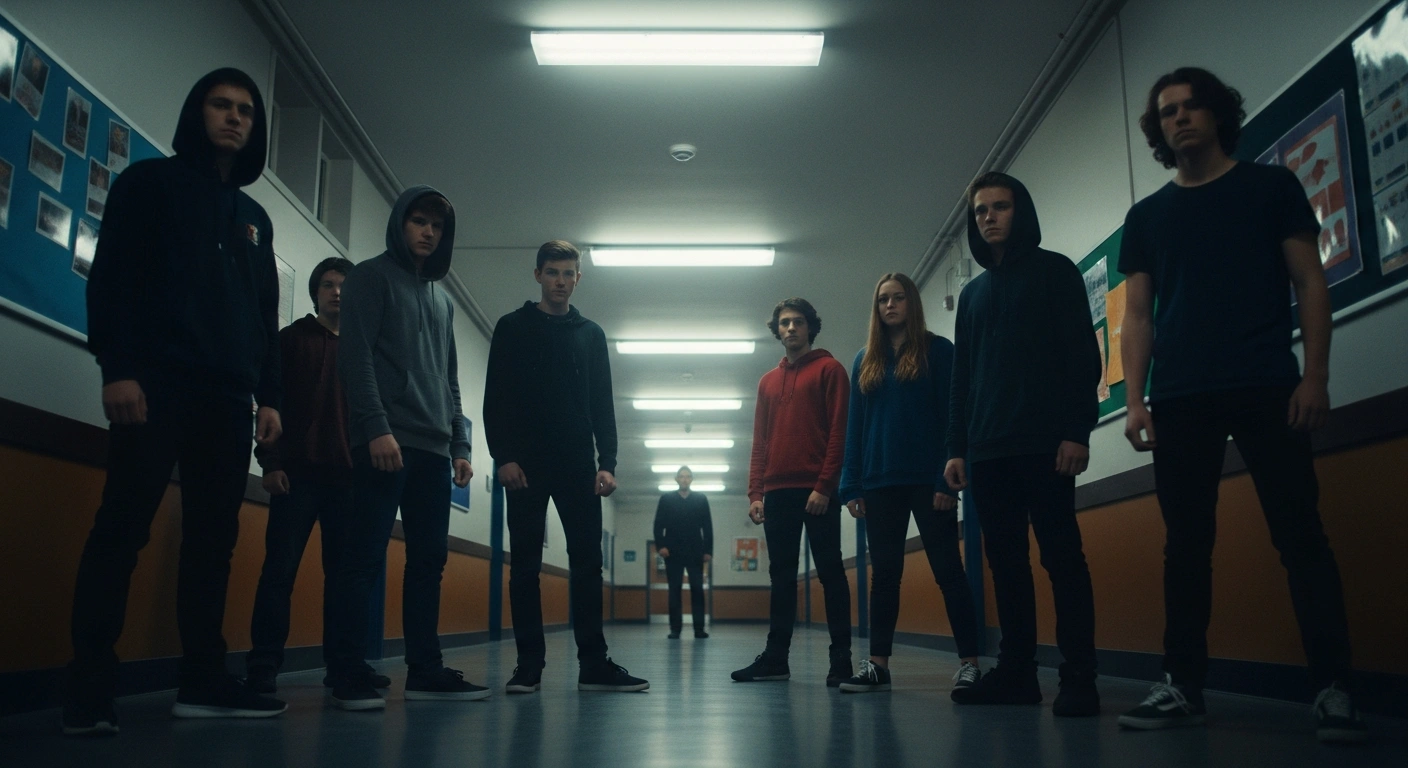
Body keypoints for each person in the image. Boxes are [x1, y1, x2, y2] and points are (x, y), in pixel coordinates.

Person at [1115, 67, 1366, 743]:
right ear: (1159, 130)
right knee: (1186, 547)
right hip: (1180, 397)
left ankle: (1334, 689)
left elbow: (1310, 281)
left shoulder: (1270, 187)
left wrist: (1314, 376)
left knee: (1301, 537)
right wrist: (1134, 401)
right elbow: (1136, 318)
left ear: (1220, 114)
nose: (1181, 117)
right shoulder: (1146, 217)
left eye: (1193, 106)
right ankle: (1182, 686)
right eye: (1167, 111)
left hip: (1266, 384)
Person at [65, 68, 286, 735]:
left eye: (246, 110)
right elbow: (115, 279)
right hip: (154, 386)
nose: (235, 117)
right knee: (121, 531)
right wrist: (119, 368)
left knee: (213, 542)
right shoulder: (148, 185)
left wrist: (268, 397)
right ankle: (89, 693)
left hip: (227, 399)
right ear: (198, 113)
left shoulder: (254, 219)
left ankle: (203, 680)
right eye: (221, 105)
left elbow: (262, 314)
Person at [943, 172, 1103, 717]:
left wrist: (1078, 431)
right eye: (981, 210)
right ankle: (1017, 674)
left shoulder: (1056, 272)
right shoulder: (971, 296)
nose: (989, 216)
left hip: (1046, 443)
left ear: (1021, 211)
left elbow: (1083, 356)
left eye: (1000, 206)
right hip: (988, 450)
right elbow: (962, 378)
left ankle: (1080, 678)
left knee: (1062, 558)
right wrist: (956, 447)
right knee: (1006, 564)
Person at [325, 186, 483, 710]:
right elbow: (356, 357)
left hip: (436, 450)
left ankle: (425, 668)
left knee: (428, 562)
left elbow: (450, 380)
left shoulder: (441, 300)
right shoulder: (371, 276)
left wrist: (460, 443)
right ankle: (345, 670)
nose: (428, 232)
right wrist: (375, 428)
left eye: (436, 226)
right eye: (418, 221)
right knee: (363, 557)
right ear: (401, 223)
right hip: (387, 443)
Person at [484, 240, 648, 694]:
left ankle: (594, 664)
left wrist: (607, 462)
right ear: (537, 275)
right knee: (525, 568)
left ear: (579, 278)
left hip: (578, 466)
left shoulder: (590, 334)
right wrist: (504, 457)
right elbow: (496, 399)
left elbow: (602, 403)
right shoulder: (512, 328)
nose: (560, 281)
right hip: (526, 468)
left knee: (588, 566)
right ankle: (528, 665)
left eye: (568, 273)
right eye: (552, 272)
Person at [244, 257, 391, 695]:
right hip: (296, 477)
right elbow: (271, 404)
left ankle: (345, 667)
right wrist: (269, 463)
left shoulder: (367, 352)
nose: (337, 292)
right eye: (327, 284)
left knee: (345, 581)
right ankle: (263, 667)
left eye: (344, 285)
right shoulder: (291, 341)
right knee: (278, 574)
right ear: (315, 292)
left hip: (350, 482)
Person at [838, 272, 983, 694]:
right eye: (883, 299)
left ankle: (970, 663)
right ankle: (877, 665)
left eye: (898, 297)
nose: (890, 305)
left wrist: (946, 480)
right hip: (879, 482)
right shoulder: (864, 358)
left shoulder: (939, 352)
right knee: (885, 576)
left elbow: (954, 418)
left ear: (911, 303)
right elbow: (856, 428)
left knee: (949, 573)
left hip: (929, 481)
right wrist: (851, 485)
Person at [732, 298, 854, 686]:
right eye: (783, 323)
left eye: (797, 322)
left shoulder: (830, 370)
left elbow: (839, 434)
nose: (790, 329)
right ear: (777, 330)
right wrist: (755, 492)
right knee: (780, 577)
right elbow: (760, 442)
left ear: (809, 328)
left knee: (831, 574)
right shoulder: (767, 382)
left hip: (818, 492)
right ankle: (775, 659)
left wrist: (824, 486)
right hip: (778, 492)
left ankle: (841, 660)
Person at [653, 466, 714, 639]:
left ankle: (699, 629)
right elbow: (658, 525)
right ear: (676, 479)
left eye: (687, 476)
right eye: (681, 476)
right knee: (674, 590)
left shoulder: (701, 499)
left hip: (696, 551)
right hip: (672, 551)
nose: (685, 479)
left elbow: (707, 526)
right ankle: (675, 629)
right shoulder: (666, 499)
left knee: (697, 589)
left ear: (692, 479)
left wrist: (708, 550)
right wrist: (661, 546)